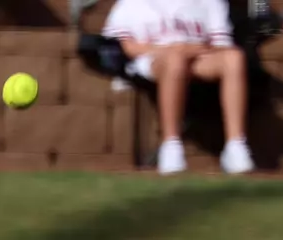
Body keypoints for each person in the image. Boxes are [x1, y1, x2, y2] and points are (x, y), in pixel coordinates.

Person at [101, 0, 255, 176]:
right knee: (175, 61)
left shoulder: (211, 3)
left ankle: (236, 145)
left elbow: (221, 45)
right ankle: (171, 145)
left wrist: (190, 49)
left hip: (198, 56)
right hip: (152, 59)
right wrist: (170, 50)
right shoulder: (131, 3)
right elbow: (129, 47)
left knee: (234, 58)